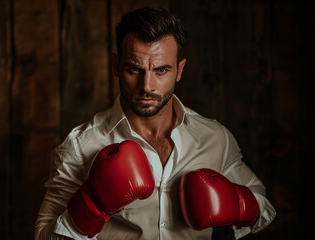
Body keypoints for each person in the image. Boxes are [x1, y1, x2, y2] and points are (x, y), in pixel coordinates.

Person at [35, 7, 276, 240]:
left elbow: (263, 205)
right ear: (115, 66)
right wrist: (91, 206)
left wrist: (240, 205)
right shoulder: (81, 146)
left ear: (179, 70)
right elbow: (43, 235)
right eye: (134, 69)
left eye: (161, 70)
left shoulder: (213, 137)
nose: (146, 86)